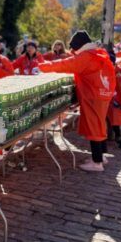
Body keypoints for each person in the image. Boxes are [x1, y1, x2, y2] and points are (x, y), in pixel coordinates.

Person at [39, 30, 115, 172]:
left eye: (73, 48)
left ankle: (97, 163)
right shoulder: (99, 54)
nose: (72, 51)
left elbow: (65, 64)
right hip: (103, 95)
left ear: (78, 46)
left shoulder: (86, 57)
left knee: (94, 128)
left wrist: (43, 67)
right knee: (100, 125)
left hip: (93, 96)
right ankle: (101, 156)